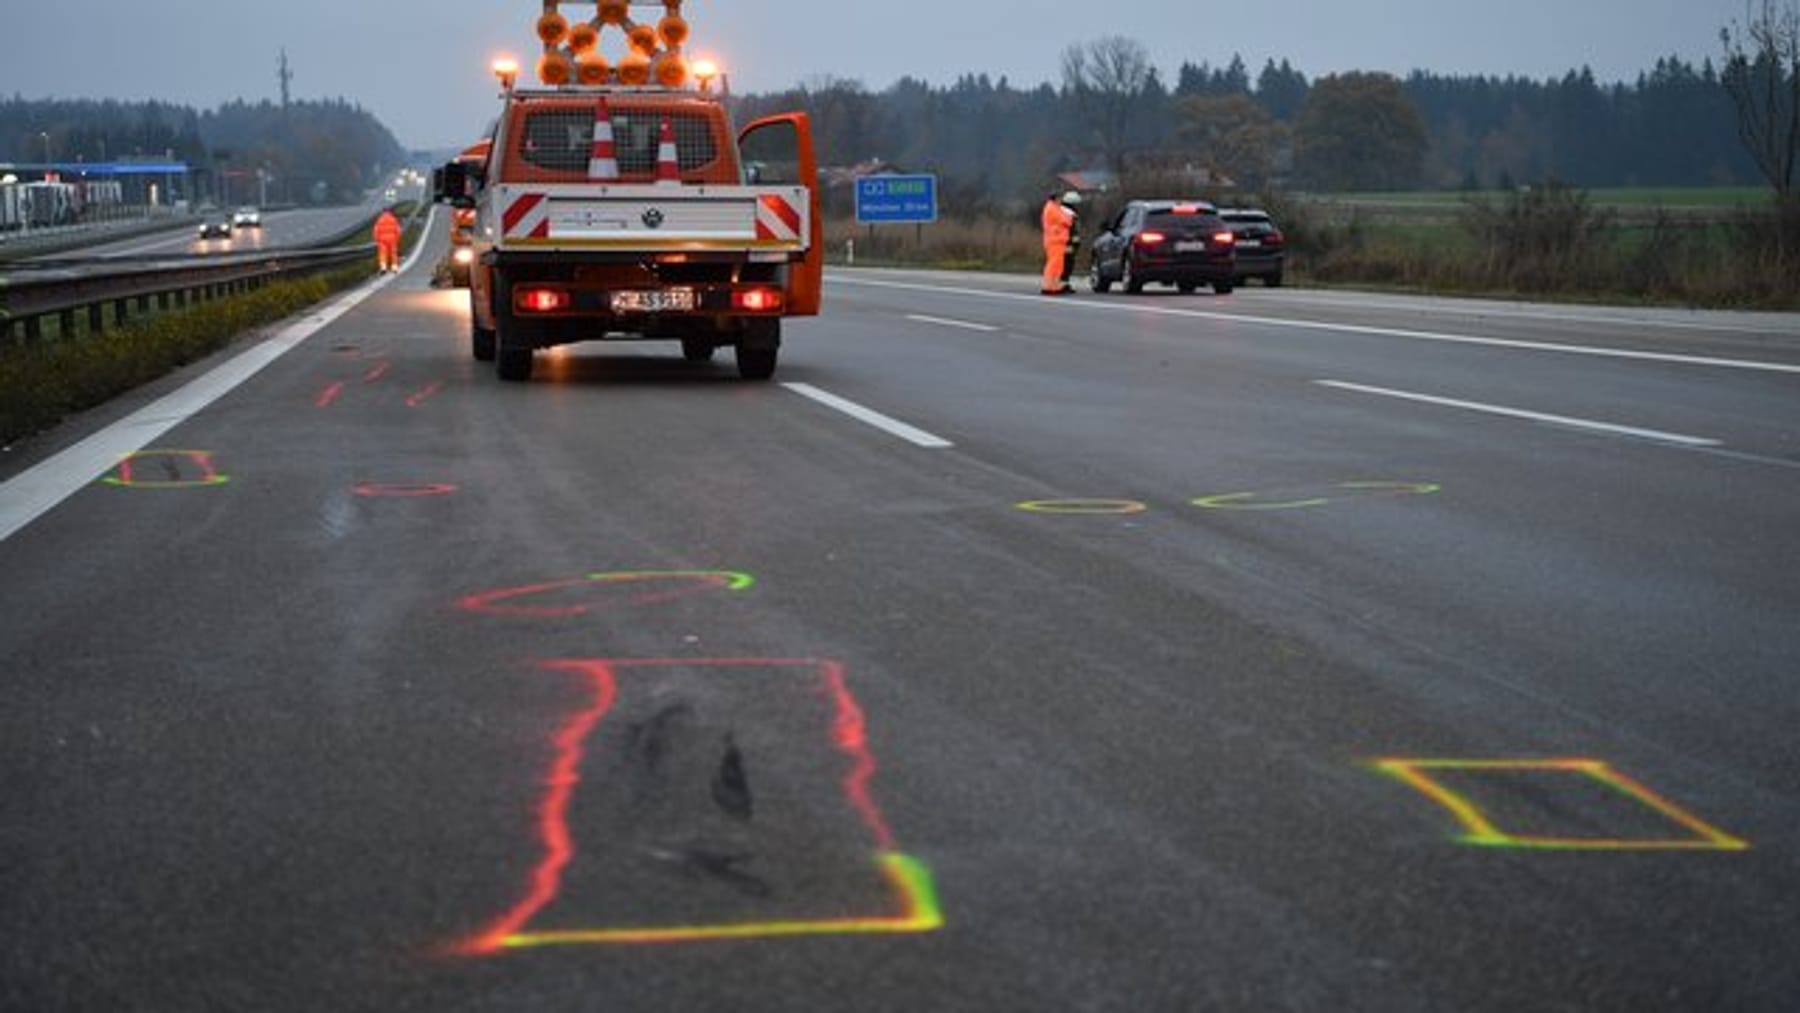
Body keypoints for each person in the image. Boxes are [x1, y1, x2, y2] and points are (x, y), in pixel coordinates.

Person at [1040, 190, 1081, 295]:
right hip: (1055, 240)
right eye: (1059, 199)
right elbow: (1065, 221)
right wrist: (1069, 219)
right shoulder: (1052, 208)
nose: (1060, 201)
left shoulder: (1055, 208)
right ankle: (1049, 286)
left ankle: (1054, 285)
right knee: (1054, 264)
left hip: (1059, 240)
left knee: (1058, 265)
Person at [373, 207, 403, 274]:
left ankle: (383, 267)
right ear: (390, 212)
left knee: (383, 254)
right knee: (393, 253)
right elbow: (398, 231)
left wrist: (377, 240)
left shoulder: (379, 220)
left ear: (383, 212)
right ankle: (394, 267)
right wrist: (397, 239)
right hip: (392, 239)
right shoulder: (393, 219)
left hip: (382, 240)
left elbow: (376, 231)